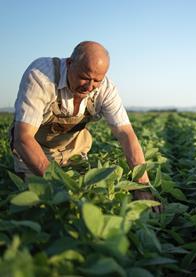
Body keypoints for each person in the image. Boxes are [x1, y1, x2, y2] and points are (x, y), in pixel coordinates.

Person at [10, 41, 160, 212]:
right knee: (42, 207)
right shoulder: (41, 76)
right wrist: (61, 186)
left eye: (97, 80)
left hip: (74, 152)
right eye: (84, 77)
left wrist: (142, 186)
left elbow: (126, 134)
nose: (89, 86)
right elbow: (23, 138)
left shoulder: (106, 89)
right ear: (69, 64)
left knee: (88, 203)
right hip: (34, 152)